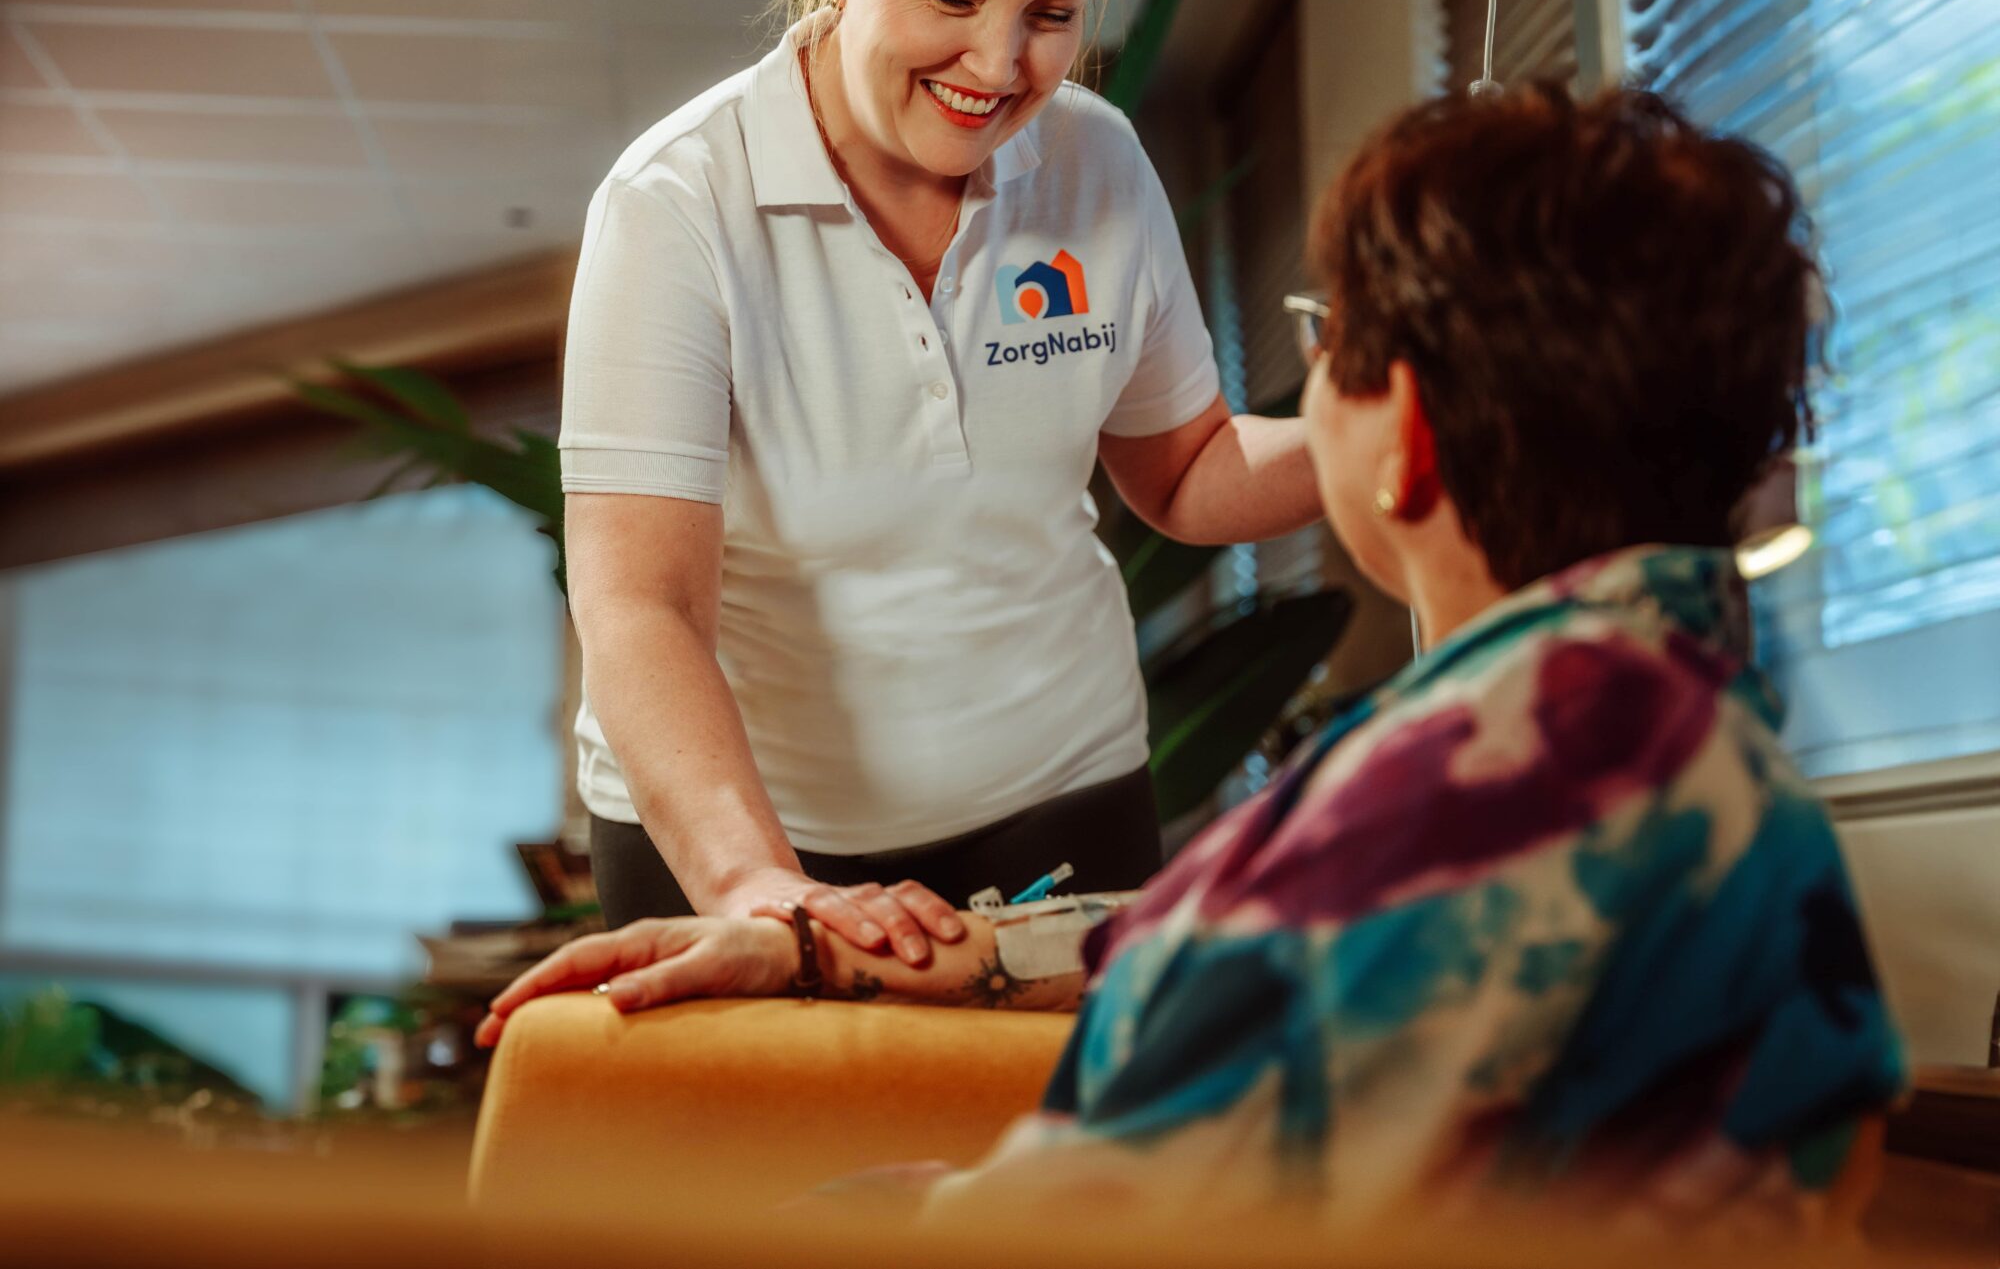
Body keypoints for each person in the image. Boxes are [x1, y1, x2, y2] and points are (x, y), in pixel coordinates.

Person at [484, 84, 1906, 1229]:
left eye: (1326, 340)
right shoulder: (1683, 736)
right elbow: (1257, 947)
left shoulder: (1453, 799)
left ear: (1403, 439)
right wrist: (862, 947)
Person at [560, 0, 1322, 949]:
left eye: (1052, 17)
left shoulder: (1093, 159)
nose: (998, 65)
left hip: (1057, 800)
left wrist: (1396, 430)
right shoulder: (677, 204)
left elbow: (1184, 471)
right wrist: (757, 883)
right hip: (744, 830)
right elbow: (643, 604)